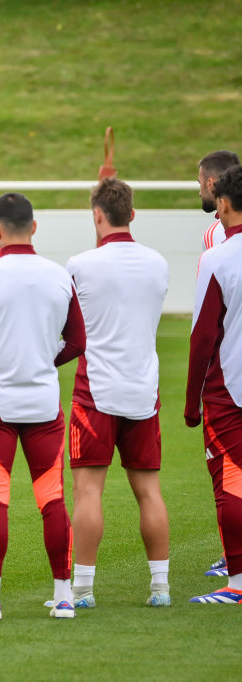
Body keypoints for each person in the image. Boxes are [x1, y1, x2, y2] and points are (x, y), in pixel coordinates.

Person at [0, 193, 84, 621]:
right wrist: (46, 361)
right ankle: (64, 596)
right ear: (34, 227)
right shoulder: (60, 275)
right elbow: (77, 341)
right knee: (52, 499)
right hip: (43, 402)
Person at [64, 178, 171, 608]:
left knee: (89, 492)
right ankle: (160, 587)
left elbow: (67, 325)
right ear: (133, 213)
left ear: (96, 215)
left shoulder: (80, 264)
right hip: (143, 391)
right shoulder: (159, 263)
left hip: (96, 394)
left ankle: (83, 590)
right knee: (150, 491)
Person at [185, 163, 242, 604]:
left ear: (222, 203)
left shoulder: (217, 256)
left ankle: (237, 583)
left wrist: (191, 402)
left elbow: (203, 334)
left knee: (231, 483)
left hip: (230, 389)